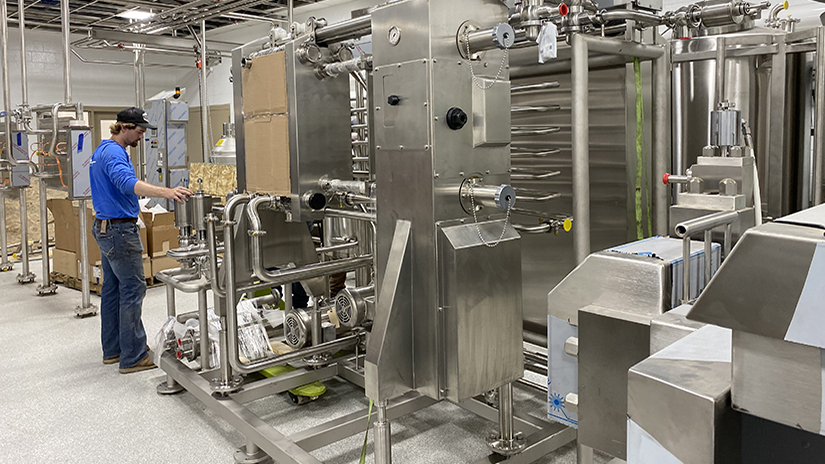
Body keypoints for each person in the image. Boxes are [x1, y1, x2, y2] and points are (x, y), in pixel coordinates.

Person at [89, 107, 194, 374]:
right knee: (133, 289)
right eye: (139, 130)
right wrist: (167, 192)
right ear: (123, 127)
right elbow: (127, 183)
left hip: (105, 227)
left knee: (112, 290)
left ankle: (113, 350)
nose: (141, 136)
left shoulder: (102, 150)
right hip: (120, 231)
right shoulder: (114, 153)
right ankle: (134, 356)